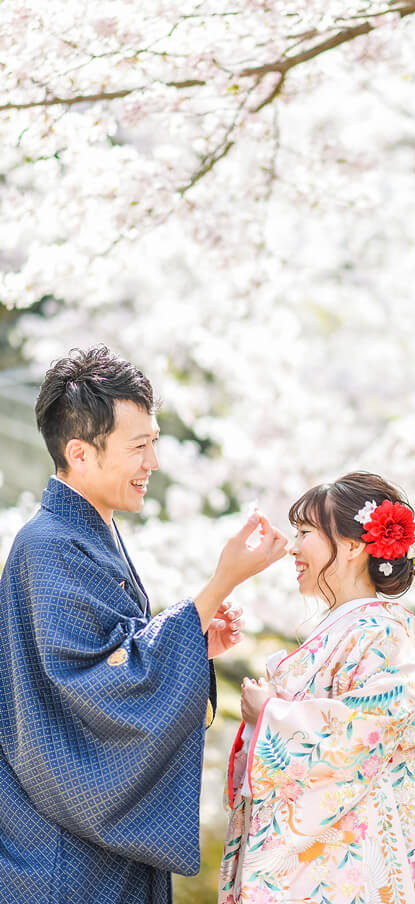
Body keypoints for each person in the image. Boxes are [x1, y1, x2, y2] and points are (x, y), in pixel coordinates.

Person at [0, 345, 287, 904]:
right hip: (60, 857)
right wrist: (215, 588)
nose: (152, 462)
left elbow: (114, 658)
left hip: (85, 847)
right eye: (138, 446)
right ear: (80, 453)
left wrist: (193, 640)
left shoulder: (83, 534)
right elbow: (93, 685)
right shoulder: (48, 545)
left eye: (153, 442)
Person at [219, 471, 415, 904]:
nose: (292, 547)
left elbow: (362, 735)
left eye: (305, 532)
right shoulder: (356, 630)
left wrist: (271, 717)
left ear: (354, 546)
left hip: (336, 873)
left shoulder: (380, 634)